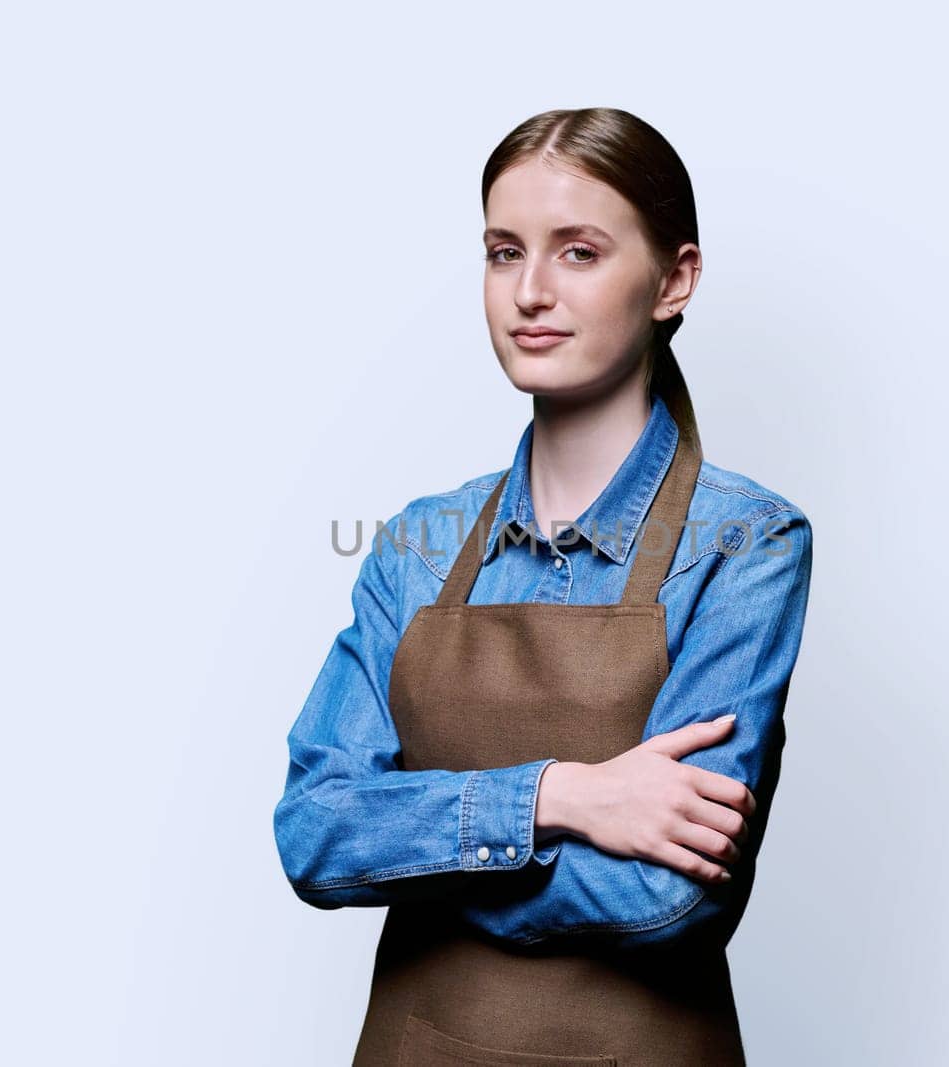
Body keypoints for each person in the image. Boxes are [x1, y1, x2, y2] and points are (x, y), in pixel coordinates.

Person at [272, 107, 814, 1066]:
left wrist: (414, 845)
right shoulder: (420, 545)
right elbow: (315, 831)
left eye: (579, 252)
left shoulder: (746, 544)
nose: (528, 291)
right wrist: (557, 798)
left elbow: (670, 899)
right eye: (502, 250)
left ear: (673, 279)